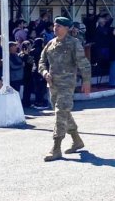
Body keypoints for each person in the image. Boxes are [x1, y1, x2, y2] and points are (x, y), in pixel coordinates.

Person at [38, 17, 92, 162]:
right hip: (52, 85)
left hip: (67, 85)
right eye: (55, 25)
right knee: (64, 114)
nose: (56, 28)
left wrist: (86, 80)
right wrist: (44, 73)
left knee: (60, 113)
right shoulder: (50, 44)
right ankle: (77, 140)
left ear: (67, 28)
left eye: (59, 26)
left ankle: (56, 148)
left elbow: (84, 63)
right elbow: (41, 61)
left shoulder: (74, 43)